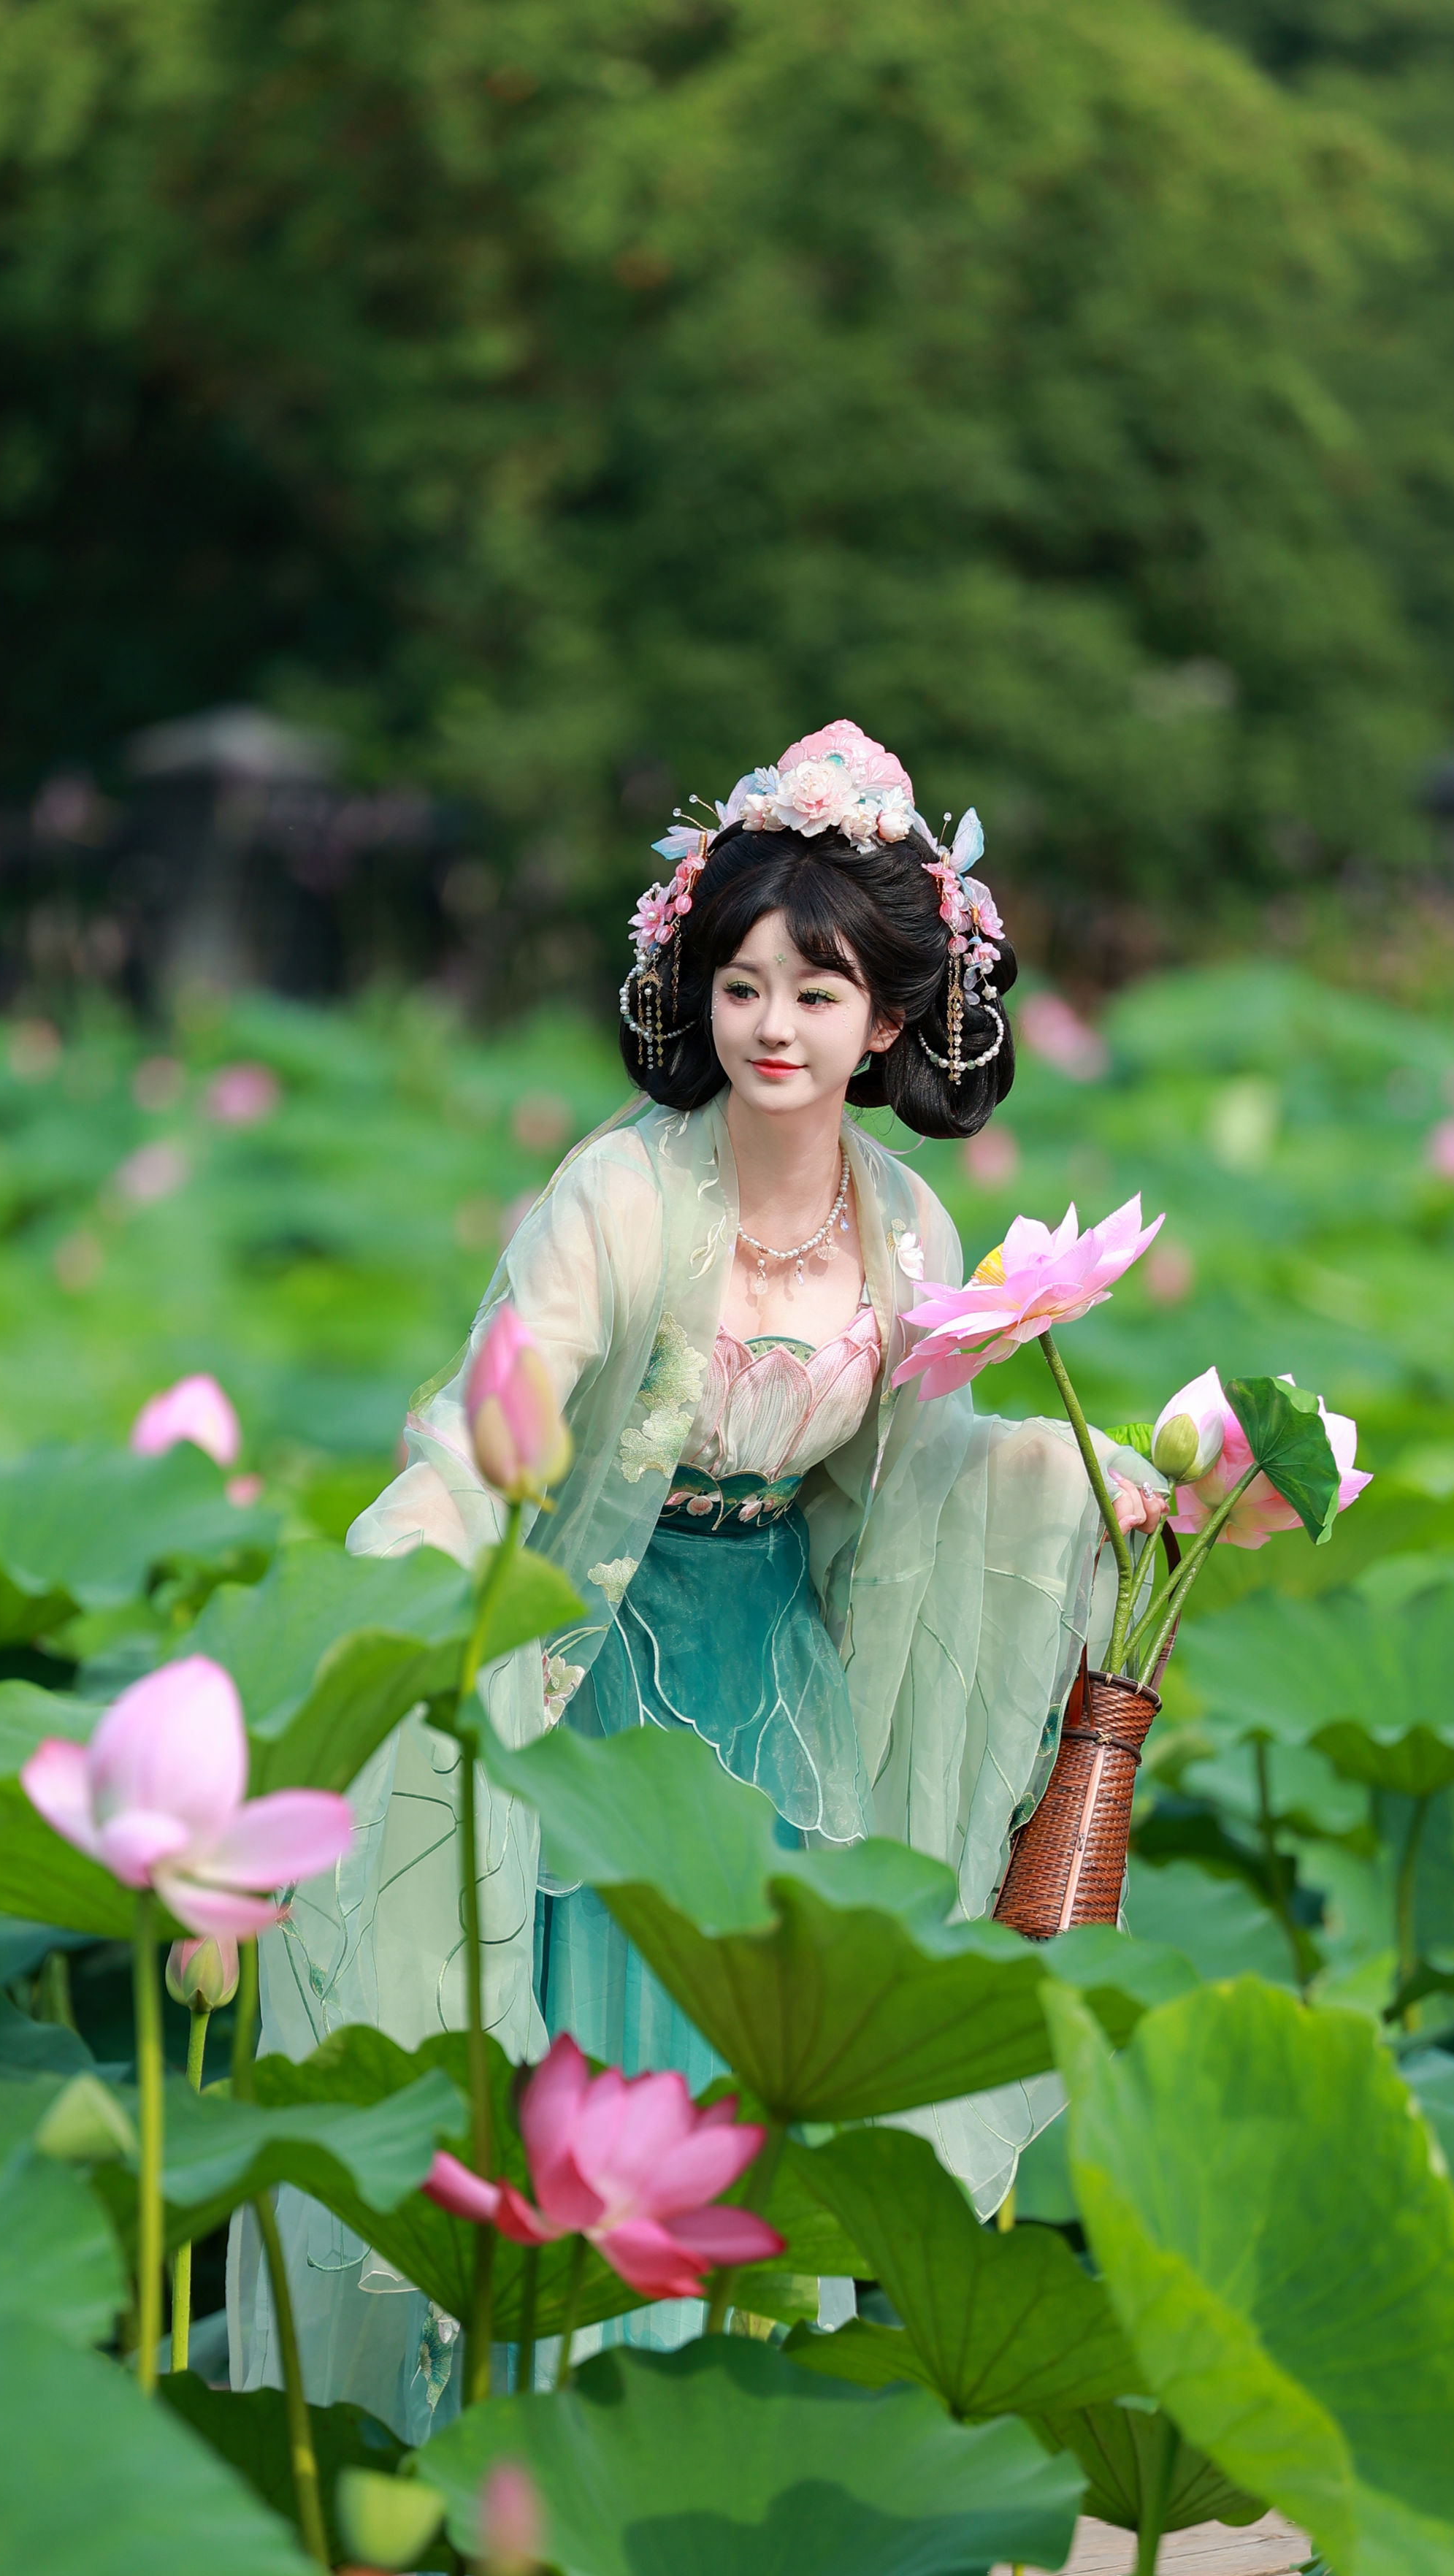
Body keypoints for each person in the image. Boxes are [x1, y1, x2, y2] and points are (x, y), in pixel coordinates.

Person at [230, 719, 1163, 2433]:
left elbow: (913, 1485)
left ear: (891, 1017)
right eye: (743, 987)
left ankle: (718, 2514)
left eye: (816, 996)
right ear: (695, 987)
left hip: (776, 1680)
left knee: (755, 2080)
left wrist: (1086, 1486)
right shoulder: (617, 1199)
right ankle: (547, 2494)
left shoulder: (907, 1232)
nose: (773, 1029)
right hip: (592, 1663)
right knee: (591, 2070)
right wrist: (372, 1624)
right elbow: (477, 1437)